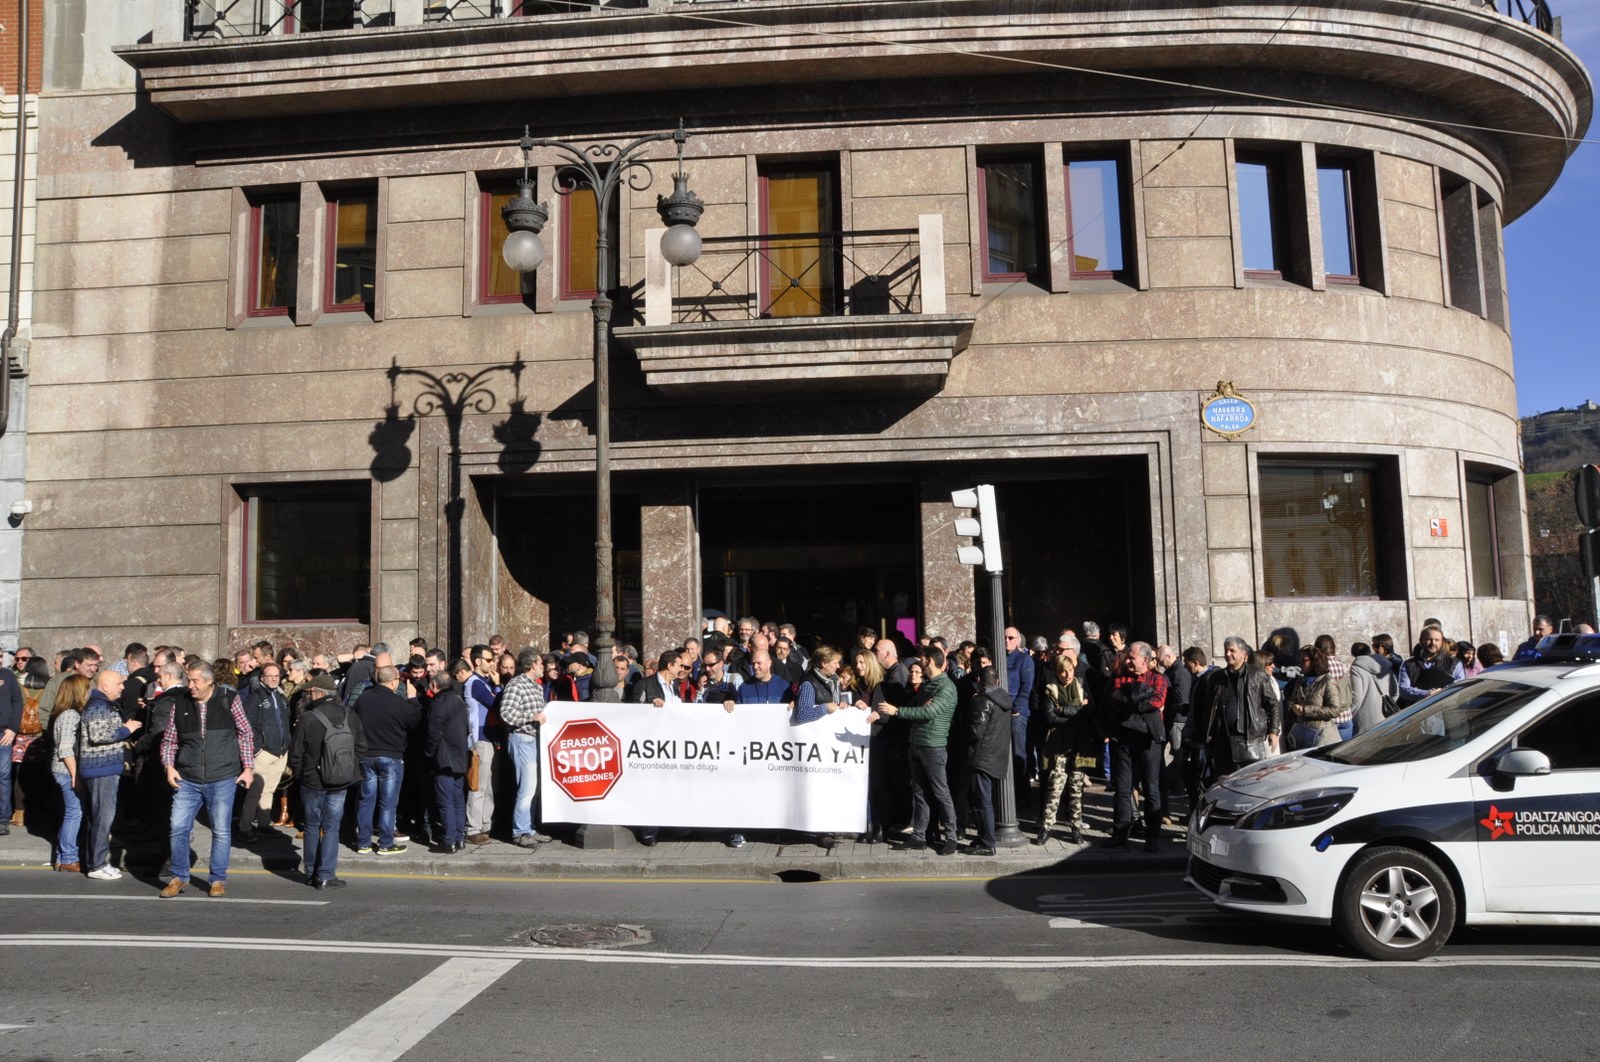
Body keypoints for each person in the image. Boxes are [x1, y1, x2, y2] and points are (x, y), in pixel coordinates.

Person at [159, 662, 256, 898]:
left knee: (221, 830)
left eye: (195, 681)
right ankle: (180, 877)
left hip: (222, 776)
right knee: (178, 827)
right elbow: (170, 739)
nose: (189, 685)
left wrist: (248, 768)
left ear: (209, 681)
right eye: (188, 680)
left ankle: (217, 880)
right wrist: (169, 766)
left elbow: (245, 733)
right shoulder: (180, 703)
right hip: (187, 776)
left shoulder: (228, 699)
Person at [877, 646, 959, 856]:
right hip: (917, 744)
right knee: (920, 792)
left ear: (930, 661)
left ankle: (951, 837)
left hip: (933, 746)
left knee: (941, 792)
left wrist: (898, 711)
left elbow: (928, 712)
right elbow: (916, 705)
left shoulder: (946, 688)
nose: (918, 663)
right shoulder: (928, 685)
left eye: (921, 659)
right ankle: (919, 837)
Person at [289, 673, 368, 889]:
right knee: (332, 826)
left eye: (311, 692)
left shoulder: (308, 718)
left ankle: (311, 872)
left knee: (312, 825)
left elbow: (295, 753)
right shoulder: (349, 714)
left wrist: (301, 773)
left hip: (312, 781)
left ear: (319, 693)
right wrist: (346, 768)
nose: (309, 696)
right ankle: (326, 875)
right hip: (341, 781)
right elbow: (361, 747)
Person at [1186, 637, 1279, 800]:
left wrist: (1274, 730)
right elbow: (1208, 709)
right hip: (1223, 741)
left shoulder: (1257, 675)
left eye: (1232, 650)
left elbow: (1273, 704)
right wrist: (1207, 737)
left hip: (1249, 741)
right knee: (1225, 787)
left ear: (1244, 654)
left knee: (1252, 787)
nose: (1228, 654)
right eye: (1226, 650)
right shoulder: (1216, 678)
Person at [351, 664, 422, 855]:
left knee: (366, 800)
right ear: (393, 682)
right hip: (391, 757)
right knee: (388, 802)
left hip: (366, 756)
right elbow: (415, 721)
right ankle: (385, 843)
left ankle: (363, 842)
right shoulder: (398, 702)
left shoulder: (363, 699)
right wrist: (413, 698)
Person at [1104, 642, 1168, 853]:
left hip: (1148, 740)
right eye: (1128, 657)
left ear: (1146, 660)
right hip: (1124, 739)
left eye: (1132, 657)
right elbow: (1116, 699)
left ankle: (1152, 837)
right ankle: (1120, 833)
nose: (1128, 661)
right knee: (1122, 789)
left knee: (1151, 790)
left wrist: (1134, 699)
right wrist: (1142, 697)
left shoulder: (1158, 679)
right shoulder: (1120, 678)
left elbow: (1156, 702)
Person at [78, 670, 140, 880]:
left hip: (105, 769)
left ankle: (98, 862)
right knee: (103, 818)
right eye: (119, 683)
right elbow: (98, 735)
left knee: (101, 817)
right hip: (100, 770)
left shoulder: (103, 704)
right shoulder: (98, 705)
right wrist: (126, 729)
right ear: (105, 686)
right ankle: (96, 865)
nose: (122, 687)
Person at [1036, 650, 1095, 845]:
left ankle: (1076, 828)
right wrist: (1076, 710)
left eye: (1070, 670)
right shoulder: (1050, 689)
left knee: (1076, 788)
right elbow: (1049, 717)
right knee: (1055, 787)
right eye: (1063, 672)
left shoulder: (1081, 686)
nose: (1067, 675)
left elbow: (1089, 711)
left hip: (1080, 745)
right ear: (1056, 672)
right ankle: (1046, 827)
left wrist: (1063, 709)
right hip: (1059, 745)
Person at [497, 648, 549, 849]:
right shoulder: (516, 684)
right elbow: (506, 713)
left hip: (534, 740)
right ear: (532, 665)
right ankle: (520, 831)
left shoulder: (536, 686)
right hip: (521, 739)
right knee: (526, 788)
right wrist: (531, 717)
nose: (543, 666)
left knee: (533, 788)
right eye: (540, 663)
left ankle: (529, 827)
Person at [236, 661, 292, 843]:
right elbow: (246, 725)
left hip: (280, 752)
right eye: (270, 675)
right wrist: (257, 749)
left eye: (277, 675)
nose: (274, 678)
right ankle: (244, 827)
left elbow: (285, 723)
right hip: (263, 752)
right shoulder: (255, 698)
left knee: (269, 790)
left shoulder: (281, 697)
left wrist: (286, 746)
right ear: (262, 678)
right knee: (255, 791)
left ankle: (263, 823)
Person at [965, 666, 1011, 856]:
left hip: (981, 756)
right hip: (996, 755)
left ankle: (987, 842)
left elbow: (975, 731)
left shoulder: (982, 701)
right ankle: (985, 837)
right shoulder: (1004, 700)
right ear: (998, 681)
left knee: (981, 801)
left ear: (979, 680)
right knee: (984, 800)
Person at [49, 675, 92, 873]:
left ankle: (62, 856)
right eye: (86, 688)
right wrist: (76, 775)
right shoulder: (70, 716)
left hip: (65, 771)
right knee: (74, 813)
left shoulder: (66, 714)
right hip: (66, 772)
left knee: (71, 813)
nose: (89, 692)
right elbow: (65, 749)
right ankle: (68, 857)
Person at [426, 670, 470, 854]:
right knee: (458, 799)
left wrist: (429, 753)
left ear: (435, 685)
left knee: (445, 802)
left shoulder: (439, 703)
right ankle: (459, 838)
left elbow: (432, 732)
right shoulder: (459, 700)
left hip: (444, 758)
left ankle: (449, 840)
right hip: (460, 757)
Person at [1287, 647, 1352, 749]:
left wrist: (1305, 710)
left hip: (1321, 738)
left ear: (1314, 661)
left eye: (1304, 660)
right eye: (1299, 660)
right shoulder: (1300, 680)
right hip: (1301, 735)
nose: (1300, 664)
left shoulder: (1327, 681)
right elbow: (1291, 700)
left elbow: (1335, 710)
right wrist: (1292, 706)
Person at [1398, 625, 1465, 706]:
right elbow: (1404, 690)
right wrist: (1427, 694)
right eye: (1429, 639)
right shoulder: (1408, 664)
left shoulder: (1454, 663)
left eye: (1437, 640)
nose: (1433, 643)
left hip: (1445, 711)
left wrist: (1440, 693)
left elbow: (1459, 686)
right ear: (1421, 641)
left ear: (1442, 642)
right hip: (1416, 713)